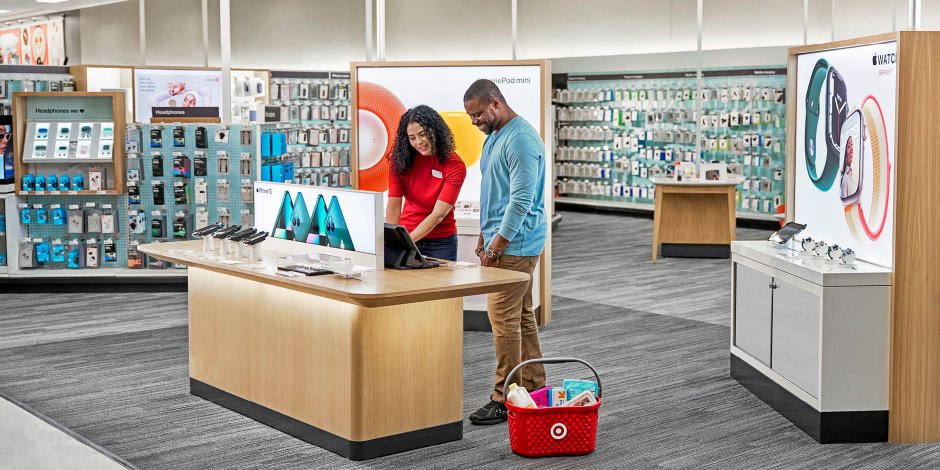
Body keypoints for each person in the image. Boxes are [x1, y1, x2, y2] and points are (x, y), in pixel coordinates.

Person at [463, 79, 547, 425]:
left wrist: (496, 248)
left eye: (478, 114)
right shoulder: (495, 137)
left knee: (502, 320)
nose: (474, 121)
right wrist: (484, 238)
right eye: (470, 116)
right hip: (503, 242)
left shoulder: (522, 140)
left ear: (496, 104)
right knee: (522, 316)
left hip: (517, 244)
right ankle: (533, 387)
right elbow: (494, 195)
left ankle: (504, 397)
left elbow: (521, 201)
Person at [385, 105, 467, 260]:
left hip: (441, 243)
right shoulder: (400, 162)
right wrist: (391, 239)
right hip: (406, 233)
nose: (419, 142)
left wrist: (406, 242)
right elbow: (393, 207)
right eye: (412, 138)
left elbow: (438, 215)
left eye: (423, 134)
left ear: (435, 130)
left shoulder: (455, 165)